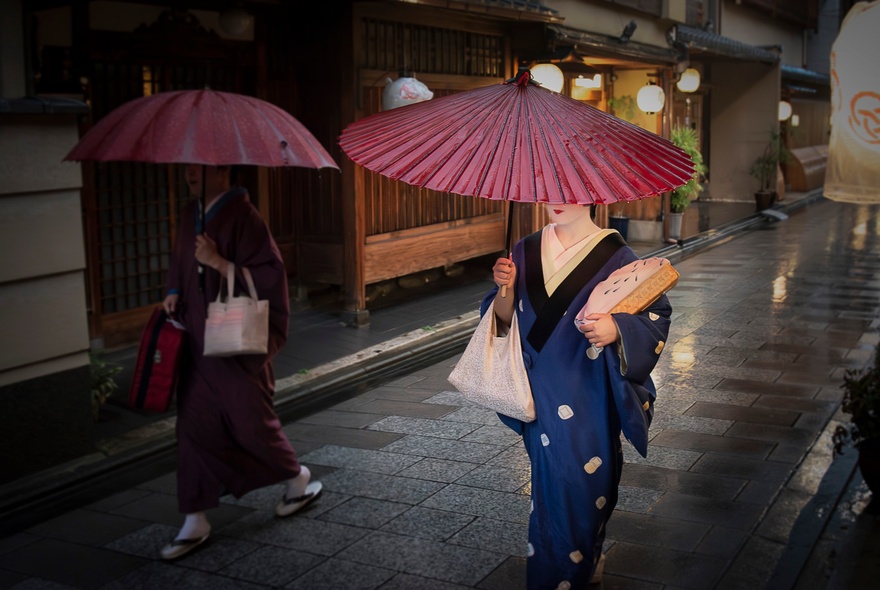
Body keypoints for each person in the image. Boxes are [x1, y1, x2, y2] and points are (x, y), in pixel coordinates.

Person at [487, 203, 671, 588]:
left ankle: (576, 566)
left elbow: (655, 316)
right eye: (550, 187)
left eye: (569, 189)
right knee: (553, 493)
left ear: (592, 194)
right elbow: (503, 320)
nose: (558, 197)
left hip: (590, 398)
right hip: (540, 399)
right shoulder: (522, 250)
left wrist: (618, 329)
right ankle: (568, 571)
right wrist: (504, 289)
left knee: (586, 488)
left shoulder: (618, 255)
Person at [159, 164, 321, 560]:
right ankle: (195, 518)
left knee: (250, 422)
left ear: (223, 169)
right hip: (197, 341)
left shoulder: (245, 216)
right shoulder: (189, 213)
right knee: (192, 426)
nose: (190, 174)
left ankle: (296, 477)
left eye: (200, 167)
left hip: (235, 343)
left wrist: (218, 263)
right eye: (188, 166)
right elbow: (180, 260)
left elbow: (270, 276)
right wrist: (175, 289)